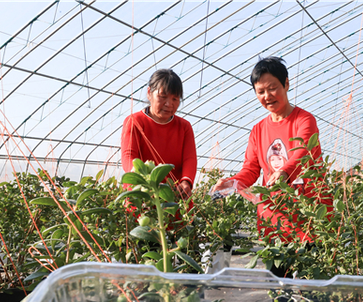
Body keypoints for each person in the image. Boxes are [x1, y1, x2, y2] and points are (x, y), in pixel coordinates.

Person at [213, 56, 327, 242]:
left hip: (309, 220)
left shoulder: (304, 120)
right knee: (276, 271)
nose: (267, 96)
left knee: (311, 269)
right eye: (261, 91)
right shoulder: (258, 131)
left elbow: (303, 152)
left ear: (286, 84)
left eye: (272, 88)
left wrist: (284, 172)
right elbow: (250, 170)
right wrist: (231, 183)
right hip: (274, 222)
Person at [121, 69, 196, 199]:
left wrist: (186, 181)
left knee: (176, 217)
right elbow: (128, 155)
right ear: (149, 93)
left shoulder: (184, 127)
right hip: (142, 194)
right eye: (163, 96)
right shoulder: (135, 122)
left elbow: (189, 159)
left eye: (175, 98)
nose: (169, 104)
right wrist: (142, 179)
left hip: (173, 195)